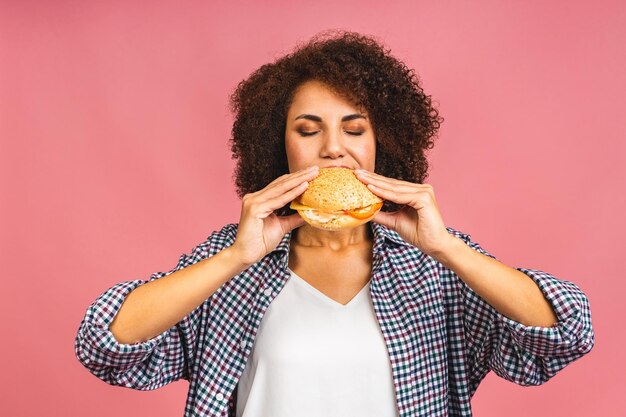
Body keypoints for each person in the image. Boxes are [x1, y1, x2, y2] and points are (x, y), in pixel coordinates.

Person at [75, 31, 594, 417]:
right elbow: (105, 345)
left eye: (354, 128)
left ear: (380, 145)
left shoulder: (435, 267)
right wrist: (236, 257)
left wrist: (446, 247)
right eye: (308, 129)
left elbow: (567, 332)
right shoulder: (234, 260)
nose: (332, 148)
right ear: (279, 147)